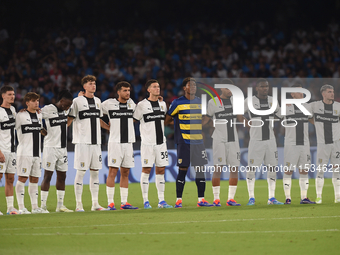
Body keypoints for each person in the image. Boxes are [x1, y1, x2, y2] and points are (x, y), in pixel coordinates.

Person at [165, 77, 213, 208]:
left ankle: (201, 200)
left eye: (194, 86)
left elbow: (203, 119)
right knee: (183, 170)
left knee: (200, 169)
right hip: (184, 142)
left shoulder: (200, 102)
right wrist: (177, 124)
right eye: (190, 85)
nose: (193, 87)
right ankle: (178, 200)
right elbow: (167, 119)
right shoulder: (177, 103)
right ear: (184, 88)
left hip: (198, 142)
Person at [67, 75, 108, 212]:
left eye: (94, 83)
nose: (93, 85)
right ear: (84, 86)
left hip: (96, 143)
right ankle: (79, 204)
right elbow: (70, 118)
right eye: (90, 83)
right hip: (82, 142)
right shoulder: (77, 101)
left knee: (95, 172)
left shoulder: (97, 101)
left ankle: (95, 204)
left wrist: (109, 128)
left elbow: (98, 120)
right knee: (81, 172)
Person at [133, 79, 172, 209]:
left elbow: (164, 120)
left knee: (161, 170)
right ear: (148, 90)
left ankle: (162, 201)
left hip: (161, 143)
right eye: (154, 87)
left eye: (159, 86)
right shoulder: (141, 105)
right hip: (147, 144)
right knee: (147, 170)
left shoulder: (163, 104)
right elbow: (134, 120)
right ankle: (146, 201)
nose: (157, 88)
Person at [244, 78, 284, 205]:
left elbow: (280, 114)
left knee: (272, 168)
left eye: (266, 86)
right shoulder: (249, 101)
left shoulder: (273, 100)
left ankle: (271, 198)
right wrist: (247, 124)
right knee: (251, 169)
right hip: (256, 140)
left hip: (270, 140)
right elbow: (238, 113)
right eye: (262, 86)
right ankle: (251, 197)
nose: (265, 88)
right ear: (257, 88)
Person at [102, 81, 138, 210]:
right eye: (125, 90)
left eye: (129, 90)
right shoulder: (109, 104)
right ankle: (110, 203)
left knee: (126, 172)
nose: (127, 93)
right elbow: (95, 113)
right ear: (118, 92)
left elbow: (137, 116)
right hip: (115, 142)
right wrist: (106, 126)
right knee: (113, 171)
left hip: (128, 142)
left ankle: (124, 203)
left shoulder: (131, 104)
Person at [206, 79, 242, 206]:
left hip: (233, 140)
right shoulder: (213, 102)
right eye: (228, 88)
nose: (230, 90)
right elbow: (207, 119)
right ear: (221, 89)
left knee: (234, 168)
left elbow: (240, 118)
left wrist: (250, 123)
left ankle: (230, 199)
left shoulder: (236, 101)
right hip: (219, 139)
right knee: (218, 168)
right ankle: (216, 199)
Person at [40, 90, 74, 213]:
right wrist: (40, 129)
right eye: (67, 104)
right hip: (50, 148)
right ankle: (43, 206)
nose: (68, 107)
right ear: (62, 101)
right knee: (48, 176)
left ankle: (60, 205)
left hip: (63, 149)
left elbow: (70, 116)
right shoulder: (48, 109)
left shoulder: (66, 110)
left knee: (62, 176)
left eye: (70, 105)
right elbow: (34, 115)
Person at [305, 84, 340, 204]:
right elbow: (304, 111)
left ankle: (338, 196)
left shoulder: (338, 106)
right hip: (322, 143)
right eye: (329, 92)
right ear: (323, 94)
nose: (332, 94)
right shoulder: (315, 105)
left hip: (336, 143)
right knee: (320, 170)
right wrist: (316, 123)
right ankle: (319, 196)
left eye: (333, 91)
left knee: (337, 170)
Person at [282, 83, 315, 204]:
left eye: (302, 92)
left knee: (304, 170)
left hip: (305, 143)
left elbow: (313, 120)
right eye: (298, 91)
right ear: (292, 94)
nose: (301, 94)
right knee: (288, 170)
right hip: (291, 143)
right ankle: (288, 198)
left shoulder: (307, 107)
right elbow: (275, 116)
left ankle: (304, 197)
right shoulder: (286, 106)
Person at [15, 92, 47, 214]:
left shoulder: (39, 115)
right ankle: (21, 207)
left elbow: (40, 130)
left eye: (37, 100)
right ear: (27, 102)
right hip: (24, 153)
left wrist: (46, 132)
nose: (36, 103)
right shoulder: (20, 115)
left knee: (34, 179)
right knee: (22, 178)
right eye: (33, 101)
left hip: (36, 153)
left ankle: (35, 207)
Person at [0, 86, 18, 215]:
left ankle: (10, 207)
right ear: (3, 96)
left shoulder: (13, 110)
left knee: (10, 178)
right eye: (9, 94)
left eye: (13, 94)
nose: (12, 96)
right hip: (2, 150)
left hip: (12, 150)